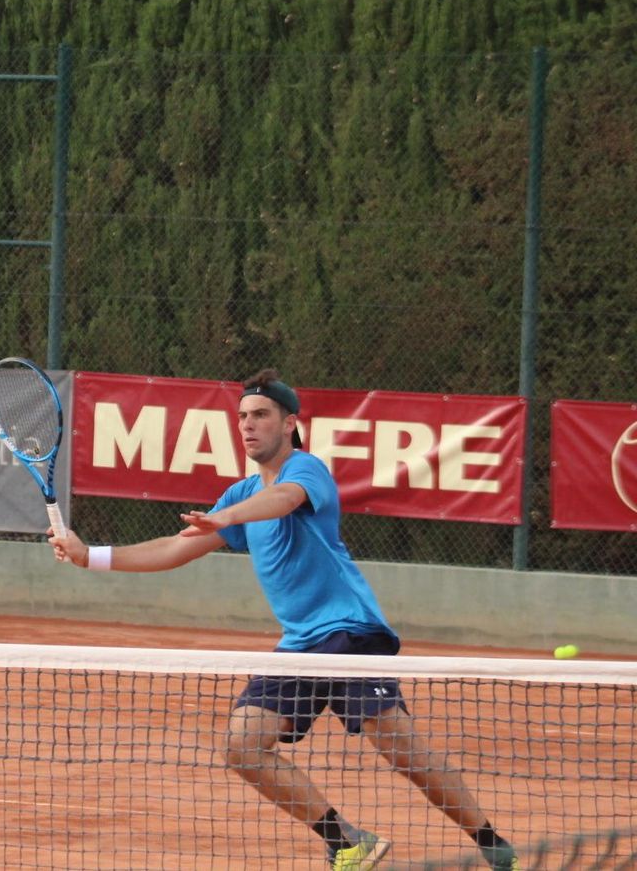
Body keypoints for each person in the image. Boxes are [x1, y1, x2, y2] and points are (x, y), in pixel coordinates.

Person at [49, 369, 518, 871]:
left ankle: (493, 843)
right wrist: (89, 557)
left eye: (261, 416)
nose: (248, 426)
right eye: (242, 417)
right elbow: (173, 549)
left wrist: (230, 518)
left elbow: (284, 499)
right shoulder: (238, 496)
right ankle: (347, 841)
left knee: (403, 753)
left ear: (290, 423)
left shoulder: (306, 469)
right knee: (243, 747)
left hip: (349, 634)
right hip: (298, 645)